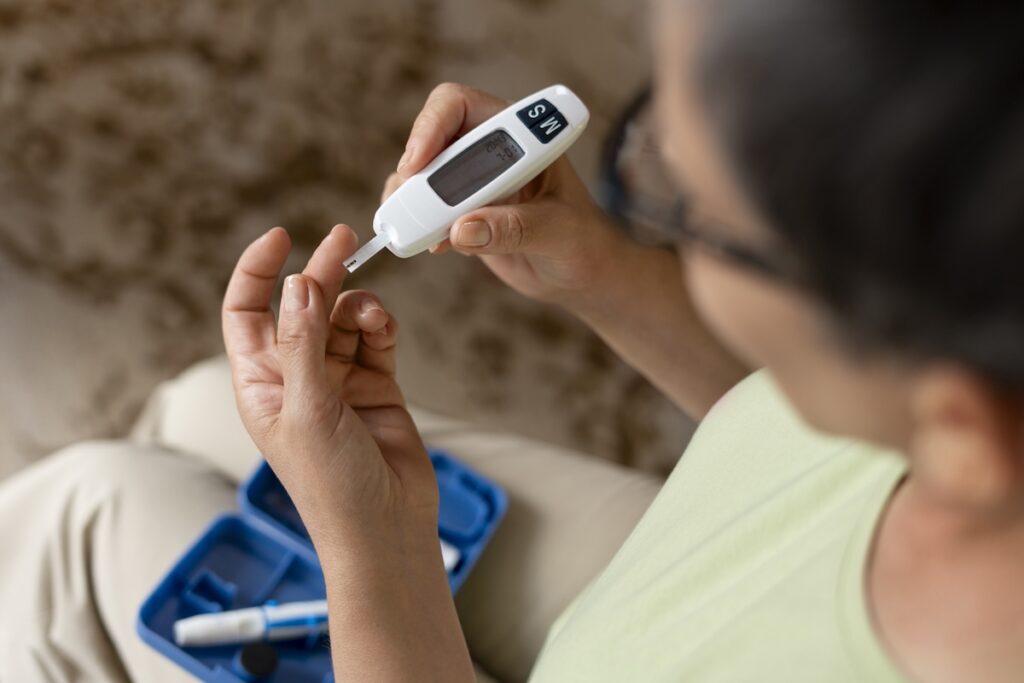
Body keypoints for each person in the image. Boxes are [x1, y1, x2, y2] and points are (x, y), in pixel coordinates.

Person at [2, 0, 1023, 680]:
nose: (653, 192)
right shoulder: (964, 376)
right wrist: (605, 272)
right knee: (200, 406)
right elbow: (810, 428)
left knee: (86, 512)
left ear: (956, 421)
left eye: (690, 206)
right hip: (703, 561)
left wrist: (379, 553)